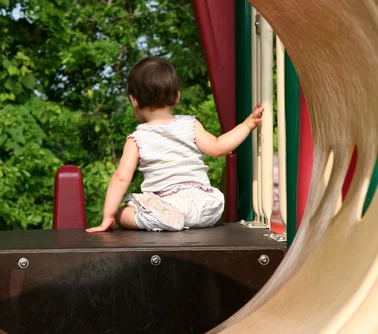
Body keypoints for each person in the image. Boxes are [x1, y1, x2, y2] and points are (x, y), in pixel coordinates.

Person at [86, 57, 264, 233]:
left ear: (134, 100)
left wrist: (109, 215)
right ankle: (177, 217)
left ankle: (163, 219)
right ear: (177, 97)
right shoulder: (190, 125)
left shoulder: (138, 138)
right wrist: (247, 124)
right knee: (202, 206)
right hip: (205, 205)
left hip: (168, 203)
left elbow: (121, 178)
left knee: (124, 213)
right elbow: (218, 148)